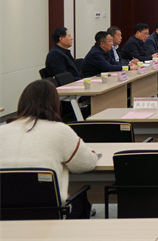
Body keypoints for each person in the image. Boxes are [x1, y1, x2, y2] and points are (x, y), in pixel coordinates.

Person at [0, 80, 98, 217]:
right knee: (81, 202)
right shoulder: (60, 130)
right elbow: (86, 163)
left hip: (4, 214)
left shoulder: (2, 130)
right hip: (49, 213)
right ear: (55, 104)